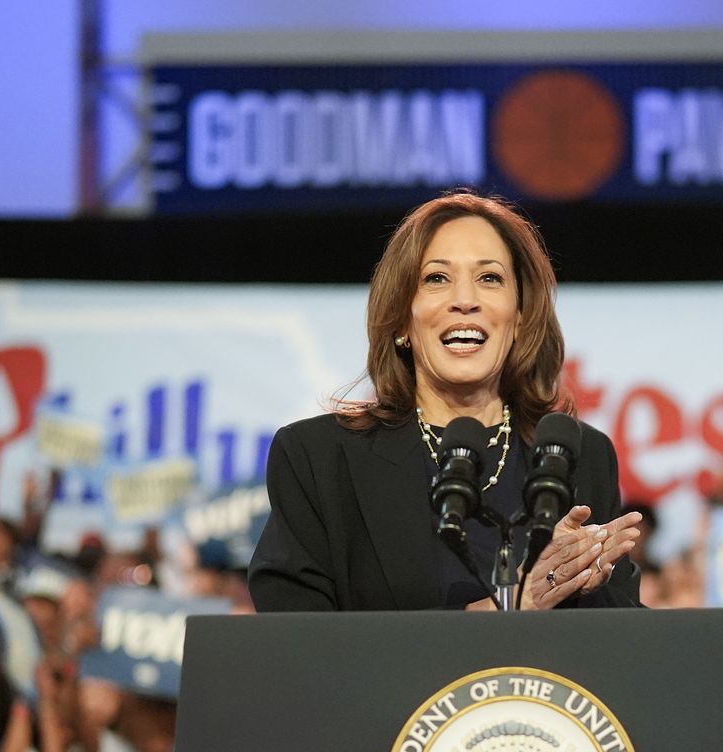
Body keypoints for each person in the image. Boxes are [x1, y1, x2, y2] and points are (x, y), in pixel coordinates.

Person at [248, 191, 643, 612]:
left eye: (489, 278)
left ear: (520, 316)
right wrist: (505, 610)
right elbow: (294, 638)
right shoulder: (320, 458)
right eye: (436, 278)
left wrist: (584, 584)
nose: (465, 300)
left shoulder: (577, 455)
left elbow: (621, 640)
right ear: (402, 319)